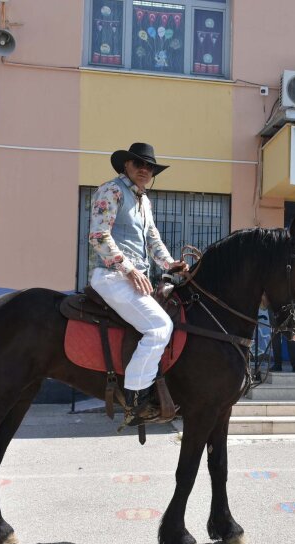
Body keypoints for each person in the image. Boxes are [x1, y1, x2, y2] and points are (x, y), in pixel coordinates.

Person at [87, 142, 188, 424]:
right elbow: (98, 236)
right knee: (159, 326)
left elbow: (152, 239)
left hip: (135, 279)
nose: (144, 169)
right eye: (138, 164)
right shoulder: (112, 190)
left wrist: (171, 265)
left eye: (149, 166)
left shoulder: (143, 200)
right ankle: (135, 400)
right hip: (113, 277)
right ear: (126, 166)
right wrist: (130, 270)